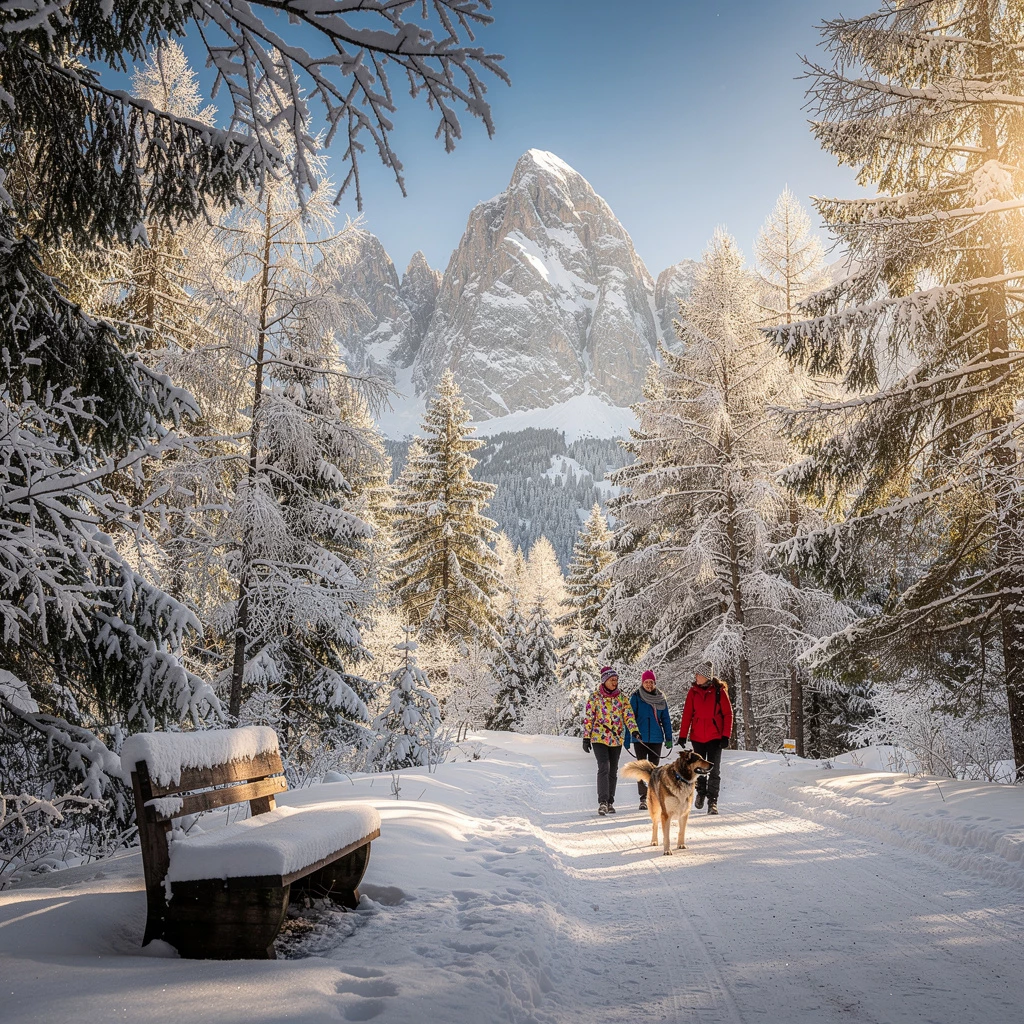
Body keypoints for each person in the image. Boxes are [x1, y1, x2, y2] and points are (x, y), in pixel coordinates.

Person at [582, 666, 640, 816]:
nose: (615, 682)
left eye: (616, 680)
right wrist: (586, 737)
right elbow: (589, 718)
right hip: (599, 737)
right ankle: (602, 801)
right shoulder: (595, 697)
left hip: (616, 738)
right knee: (604, 766)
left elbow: (629, 716)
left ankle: (610, 802)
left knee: (613, 769)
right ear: (605, 681)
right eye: (612, 680)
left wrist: (634, 730)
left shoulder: (622, 697)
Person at [678, 672, 733, 815]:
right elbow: (687, 714)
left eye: (698, 675)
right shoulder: (693, 692)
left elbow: (728, 714)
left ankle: (712, 802)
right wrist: (683, 735)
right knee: (699, 769)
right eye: (695, 674)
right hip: (697, 737)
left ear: (706, 676)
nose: (695, 677)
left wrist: (726, 735)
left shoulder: (719, 692)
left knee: (714, 770)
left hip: (715, 737)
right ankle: (701, 792)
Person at [624, 669, 673, 810]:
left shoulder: (660, 698)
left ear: (654, 683)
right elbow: (629, 719)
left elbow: (666, 719)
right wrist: (627, 738)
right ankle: (642, 798)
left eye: (651, 682)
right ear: (642, 682)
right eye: (646, 682)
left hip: (657, 738)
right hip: (640, 738)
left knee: (654, 770)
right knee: (641, 769)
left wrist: (668, 737)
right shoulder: (636, 697)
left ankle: (652, 796)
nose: (649, 685)